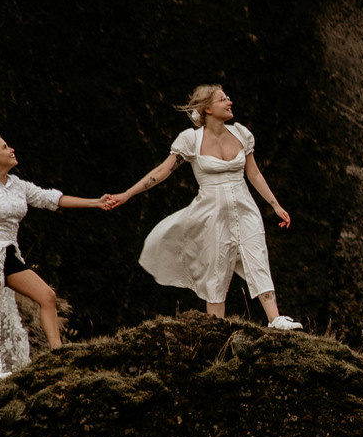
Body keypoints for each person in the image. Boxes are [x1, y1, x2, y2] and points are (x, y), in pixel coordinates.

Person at [103, 84, 301, 329]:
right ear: (207, 108)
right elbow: (162, 171)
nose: (230, 102)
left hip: (245, 209)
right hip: (211, 214)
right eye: (223, 99)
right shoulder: (191, 140)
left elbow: (255, 174)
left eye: (228, 98)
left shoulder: (241, 134)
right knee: (216, 270)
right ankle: (215, 328)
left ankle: (275, 319)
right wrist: (127, 194)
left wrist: (275, 205)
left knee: (257, 256)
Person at [0, 132, 107, 388]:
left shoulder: (17, 185)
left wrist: (96, 203)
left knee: (47, 296)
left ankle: (58, 353)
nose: (12, 149)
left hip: (10, 254)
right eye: (5, 147)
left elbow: (52, 199)